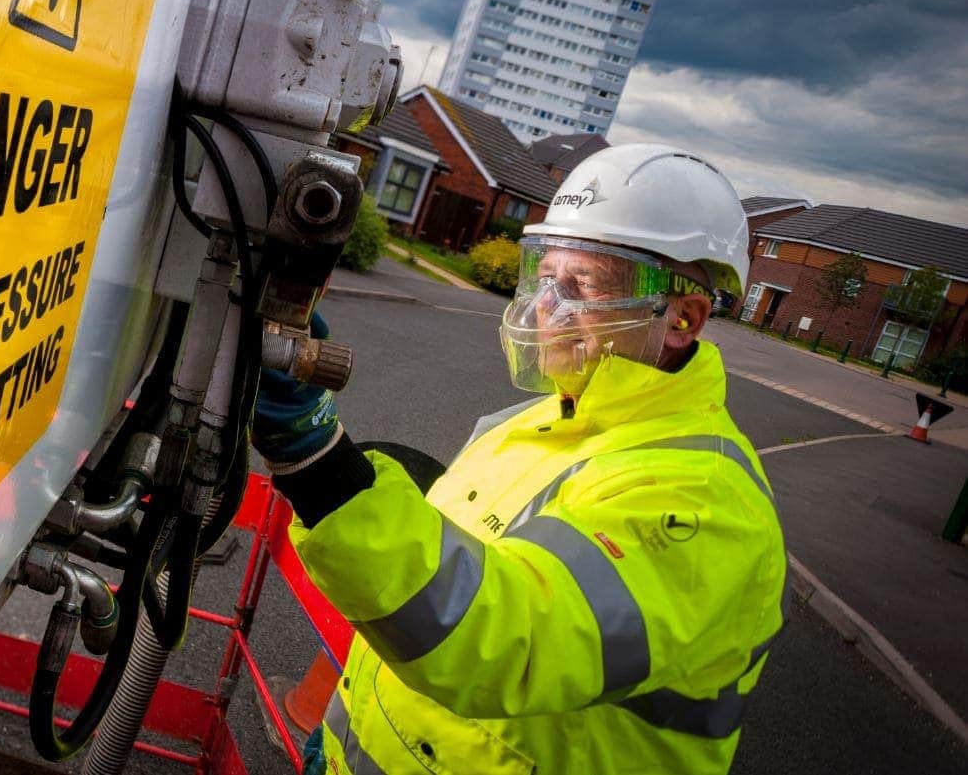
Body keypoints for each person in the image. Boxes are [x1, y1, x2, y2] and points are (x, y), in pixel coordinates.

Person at [253, 144, 787, 774]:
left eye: (578, 285)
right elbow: (436, 577)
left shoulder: (706, 502)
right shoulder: (538, 418)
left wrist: (320, 463)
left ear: (682, 318)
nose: (542, 308)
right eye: (543, 277)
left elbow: (511, 643)